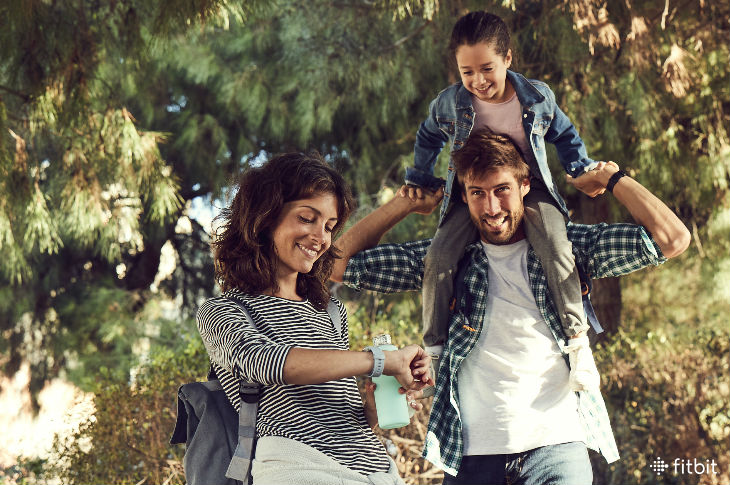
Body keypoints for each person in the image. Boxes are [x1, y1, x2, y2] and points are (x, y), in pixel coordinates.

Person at [331, 130, 690, 484]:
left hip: (556, 452)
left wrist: (613, 179)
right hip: (469, 455)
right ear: (464, 196)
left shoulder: (567, 247)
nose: (491, 208)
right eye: (477, 193)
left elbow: (672, 239)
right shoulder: (443, 259)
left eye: (502, 190)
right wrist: (405, 202)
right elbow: (337, 264)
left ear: (525, 186)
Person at [196, 152, 434, 485]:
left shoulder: (330, 311)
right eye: (307, 218)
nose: (321, 237)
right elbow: (263, 363)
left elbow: (346, 413)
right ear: (265, 217)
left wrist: (381, 402)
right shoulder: (224, 311)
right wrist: (379, 360)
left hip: (376, 471)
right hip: (297, 467)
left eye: (329, 226)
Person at [405, 10, 605, 390]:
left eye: (487, 68)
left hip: (531, 190)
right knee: (439, 257)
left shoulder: (536, 96)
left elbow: (564, 133)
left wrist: (579, 166)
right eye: (467, 72)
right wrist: (420, 176)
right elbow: (428, 136)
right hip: (475, 195)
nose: (478, 81)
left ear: (508, 59)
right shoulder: (449, 104)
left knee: (556, 247)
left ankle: (579, 346)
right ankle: (434, 351)